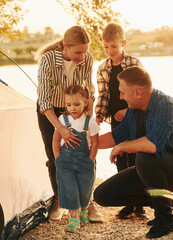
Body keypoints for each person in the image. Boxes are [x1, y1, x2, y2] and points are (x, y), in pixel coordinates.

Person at [94, 66, 173, 239]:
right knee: (102, 195)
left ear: (138, 93)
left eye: (122, 92)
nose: (120, 97)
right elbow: (116, 137)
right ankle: (163, 202)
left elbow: (152, 145)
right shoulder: (133, 110)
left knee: (144, 156)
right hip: (152, 169)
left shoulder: (167, 104)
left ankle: (165, 218)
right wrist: (84, 142)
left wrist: (123, 147)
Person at [36, 25, 103, 222]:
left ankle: (87, 202)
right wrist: (61, 129)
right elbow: (44, 101)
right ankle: (59, 200)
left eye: (85, 51)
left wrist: (87, 120)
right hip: (51, 112)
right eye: (78, 52)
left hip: (79, 109)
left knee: (86, 152)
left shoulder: (87, 58)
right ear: (65, 46)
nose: (82, 56)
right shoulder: (48, 60)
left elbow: (89, 91)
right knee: (55, 156)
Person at [95, 23, 146, 219]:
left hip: (134, 115)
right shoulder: (103, 68)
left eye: (114, 47)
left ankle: (140, 204)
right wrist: (98, 117)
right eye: (106, 47)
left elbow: (142, 91)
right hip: (115, 118)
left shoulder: (134, 63)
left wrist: (128, 109)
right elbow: (103, 95)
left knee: (135, 157)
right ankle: (128, 203)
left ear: (123, 43)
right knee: (119, 157)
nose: (110, 51)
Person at [52, 85, 100, 232]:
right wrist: (58, 159)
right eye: (68, 105)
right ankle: (74, 218)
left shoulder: (89, 121)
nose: (72, 108)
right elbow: (55, 141)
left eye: (76, 104)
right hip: (65, 161)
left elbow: (95, 142)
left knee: (85, 188)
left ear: (85, 102)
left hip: (84, 160)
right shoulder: (62, 119)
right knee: (70, 188)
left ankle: (84, 209)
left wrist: (90, 160)